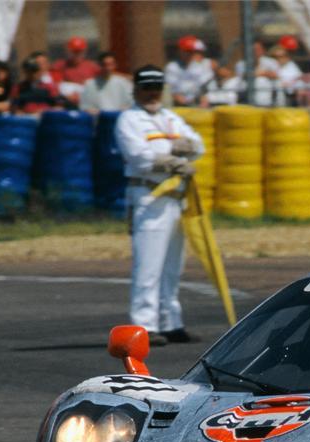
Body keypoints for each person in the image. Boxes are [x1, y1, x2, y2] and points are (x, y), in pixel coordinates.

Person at [115, 65, 206, 345]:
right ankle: (144, 325)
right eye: (147, 88)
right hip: (149, 197)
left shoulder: (170, 117)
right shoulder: (129, 119)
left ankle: (170, 322)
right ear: (136, 90)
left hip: (176, 199)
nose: (152, 93)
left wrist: (177, 149)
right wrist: (173, 154)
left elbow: (199, 145)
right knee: (148, 266)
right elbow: (139, 156)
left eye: (157, 88)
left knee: (172, 266)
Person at [166, 35, 216, 106]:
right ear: (180, 51)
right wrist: (187, 103)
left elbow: (207, 86)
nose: (190, 54)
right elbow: (173, 92)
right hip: (181, 104)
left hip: (200, 101)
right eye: (187, 51)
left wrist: (203, 98)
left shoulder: (201, 65)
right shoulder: (172, 67)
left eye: (192, 51)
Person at [51, 36, 100, 105]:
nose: (77, 54)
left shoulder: (92, 67)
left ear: (84, 52)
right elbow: (54, 85)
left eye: (79, 51)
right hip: (66, 102)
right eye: (74, 51)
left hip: (87, 101)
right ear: (68, 51)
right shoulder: (59, 66)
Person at [270, 38, 303, 105]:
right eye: (276, 57)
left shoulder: (291, 65)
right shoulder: (270, 65)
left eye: (282, 56)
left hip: (290, 92)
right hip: (275, 91)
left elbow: (298, 77)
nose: (279, 59)